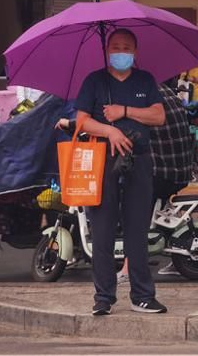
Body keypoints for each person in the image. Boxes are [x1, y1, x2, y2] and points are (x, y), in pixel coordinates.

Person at [74, 29, 167, 316]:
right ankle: (103, 296)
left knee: (137, 231)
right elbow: (82, 122)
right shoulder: (94, 81)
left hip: (139, 161)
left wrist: (124, 111)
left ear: (135, 52)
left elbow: (158, 116)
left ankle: (142, 295)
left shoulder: (145, 80)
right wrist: (110, 130)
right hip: (102, 162)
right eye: (115, 47)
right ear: (106, 50)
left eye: (126, 47)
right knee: (101, 232)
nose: (121, 52)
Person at [117, 80, 198, 282]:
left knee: (133, 210)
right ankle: (173, 254)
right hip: (182, 171)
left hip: (160, 172)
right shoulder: (166, 91)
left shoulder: (140, 98)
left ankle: (129, 267)